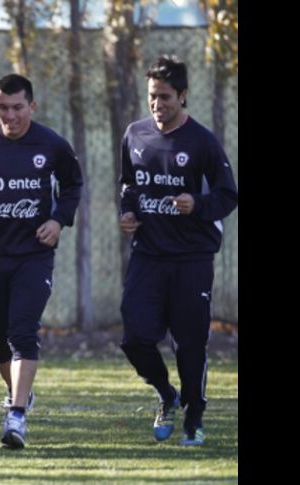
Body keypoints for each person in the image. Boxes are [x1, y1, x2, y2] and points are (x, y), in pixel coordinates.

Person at [118, 55, 238, 446]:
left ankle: (194, 417)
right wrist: (128, 212)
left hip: (191, 258)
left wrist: (197, 204)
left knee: (189, 344)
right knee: (134, 337)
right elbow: (128, 186)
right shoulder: (135, 135)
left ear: (183, 96)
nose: (157, 104)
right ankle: (167, 395)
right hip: (148, 255)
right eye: (152, 96)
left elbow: (227, 195)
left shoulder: (201, 141)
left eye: (166, 97)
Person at [0, 74, 82, 449]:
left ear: (32, 106)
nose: (10, 115)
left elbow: (73, 185)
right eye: (3, 107)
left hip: (34, 255)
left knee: (22, 331)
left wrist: (57, 220)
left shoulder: (52, 145)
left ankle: (16, 416)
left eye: (17, 108)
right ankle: (19, 393)